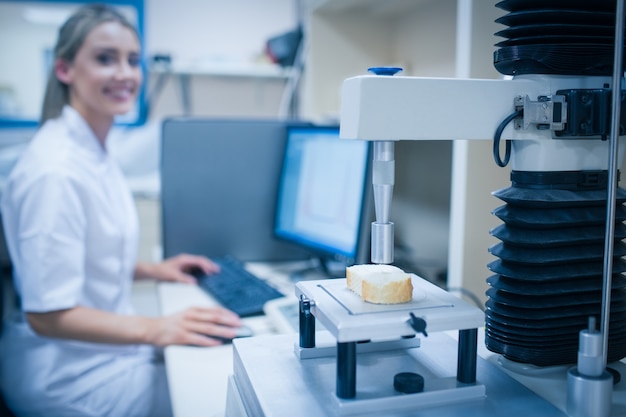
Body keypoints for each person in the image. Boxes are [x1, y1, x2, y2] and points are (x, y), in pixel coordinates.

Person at [0, 4, 243, 417]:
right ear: (64, 69)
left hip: (101, 353)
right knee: (216, 400)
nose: (125, 74)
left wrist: (153, 269)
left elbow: (79, 253)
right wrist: (157, 328)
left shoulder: (93, 149)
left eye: (133, 60)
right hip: (69, 378)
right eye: (104, 59)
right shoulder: (54, 172)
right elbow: (47, 315)